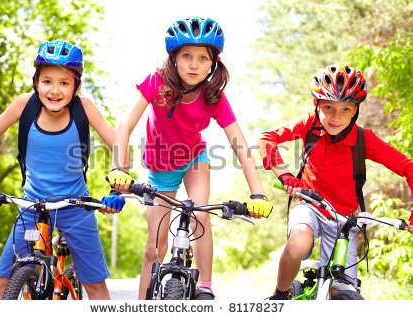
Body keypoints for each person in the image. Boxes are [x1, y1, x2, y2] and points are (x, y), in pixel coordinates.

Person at [107, 17, 274, 300]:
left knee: (200, 215)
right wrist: (117, 169)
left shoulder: (213, 97)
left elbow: (240, 145)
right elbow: (125, 126)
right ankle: (142, 305)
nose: (194, 65)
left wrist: (257, 193)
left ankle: (205, 287)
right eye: (186, 56)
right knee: (154, 246)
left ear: (213, 63)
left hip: (194, 159)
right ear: (173, 58)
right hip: (160, 167)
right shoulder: (156, 82)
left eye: (202, 58)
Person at [0, 40, 125, 300]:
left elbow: (118, 143)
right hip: (32, 206)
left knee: (95, 286)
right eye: (47, 81)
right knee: (2, 282)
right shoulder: (24, 105)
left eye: (64, 83)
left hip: (75, 207)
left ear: (77, 87)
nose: (54, 90)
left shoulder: (84, 108)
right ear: (36, 82)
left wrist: (116, 188)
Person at [258, 64, 413, 299]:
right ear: (316, 105)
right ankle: (280, 295)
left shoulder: (363, 139)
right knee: (298, 244)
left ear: (356, 111)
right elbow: (267, 137)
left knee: (345, 289)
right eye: (328, 107)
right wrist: (284, 175)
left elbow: (407, 167)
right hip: (310, 206)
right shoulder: (310, 124)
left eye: (345, 109)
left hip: (344, 221)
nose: (335, 117)